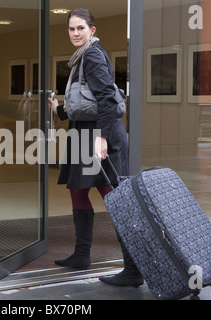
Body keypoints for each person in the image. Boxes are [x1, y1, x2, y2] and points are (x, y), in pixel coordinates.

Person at [48, 8, 143, 287]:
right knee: (77, 190)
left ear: (92, 30)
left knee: (114, 200)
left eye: (80, 28)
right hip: (83, 134)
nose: (75, 33)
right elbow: (85, 101)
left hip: (100, 137)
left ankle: (133, 269)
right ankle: (81, 255)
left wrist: (101, 138)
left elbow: (107, 100)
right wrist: (61, 111)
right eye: (71, 29)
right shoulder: (82, 56)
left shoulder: (91, 55)